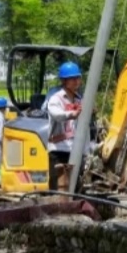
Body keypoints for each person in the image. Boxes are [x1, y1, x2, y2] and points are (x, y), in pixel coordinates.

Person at [43, 61, 83, 190]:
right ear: (64, 81)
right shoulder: (56, 99)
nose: (76, 81)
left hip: (74, 150)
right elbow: (56, 114)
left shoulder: (79, 99)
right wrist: (72, 114)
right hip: (58, 149)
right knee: (57, 186)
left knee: (75, 186)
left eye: (78, 78)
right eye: (73, 79)